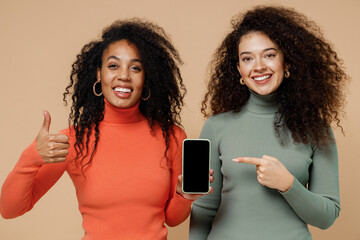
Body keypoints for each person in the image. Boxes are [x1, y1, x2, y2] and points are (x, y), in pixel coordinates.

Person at [0, 19, 210, 240]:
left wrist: (184, 196)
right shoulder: (74, 139)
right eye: (113, 65)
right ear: (98, 74)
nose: (124, 75)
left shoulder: (172, 136)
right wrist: (31, 156)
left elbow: (172, 219)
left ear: (146, 78)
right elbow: (10, 210)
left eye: (136, 68)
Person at [189, 5, 348, 240]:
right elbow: (204, 208)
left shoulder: (316, 129)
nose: (259, 66)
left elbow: (326, 218)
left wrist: (288, 185)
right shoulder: (216, 126)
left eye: (270, 55)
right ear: (239, 70)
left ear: (288, 62)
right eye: (247, 58)